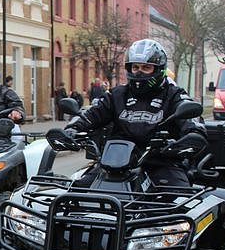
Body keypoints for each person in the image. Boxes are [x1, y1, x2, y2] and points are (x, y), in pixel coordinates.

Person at [62, 39, 207, 188]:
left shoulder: (174, 95)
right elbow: (91, 113)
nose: (139, 72)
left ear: (159, 69)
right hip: (113, 166)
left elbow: (191, 117)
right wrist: (72, 129)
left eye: (146, 67)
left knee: (180, 199)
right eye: (135, 67)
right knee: (75, 193)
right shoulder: (116, 95)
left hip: (161, 164)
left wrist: (193, 134)